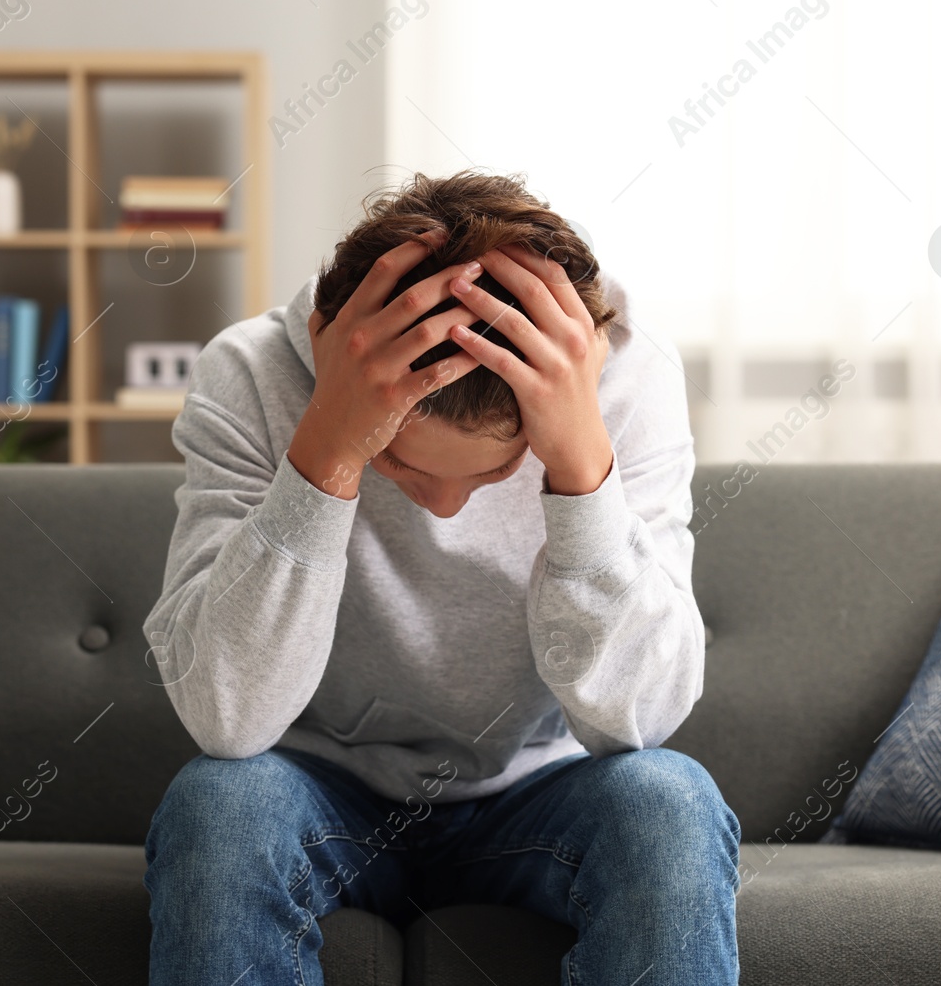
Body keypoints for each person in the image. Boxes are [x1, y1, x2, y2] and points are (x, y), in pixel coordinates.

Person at [141, 171, 740, 985]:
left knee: (669, 801)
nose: (448, 507)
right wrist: (332, 449)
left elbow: (642, 719)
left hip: (540, 789)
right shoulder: (248, 373)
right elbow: (228, 718)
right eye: (400, 462)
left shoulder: (625, 379)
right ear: (328, 348)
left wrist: (577, 466)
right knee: (219, 804)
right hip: (319, 789)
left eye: (494, 474)